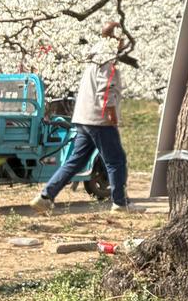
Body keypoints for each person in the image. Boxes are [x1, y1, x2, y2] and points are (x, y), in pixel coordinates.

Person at [30, 22, 143, 213]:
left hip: (83, 117)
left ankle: (45, 197)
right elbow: (105, 89)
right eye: (122, 38)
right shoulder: (107, 58)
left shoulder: (94, 57)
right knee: (116, 160)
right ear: (115, 38)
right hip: (99, 118)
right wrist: (111, 114)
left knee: (77, 160)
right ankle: (120, 202)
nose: (124, 42)